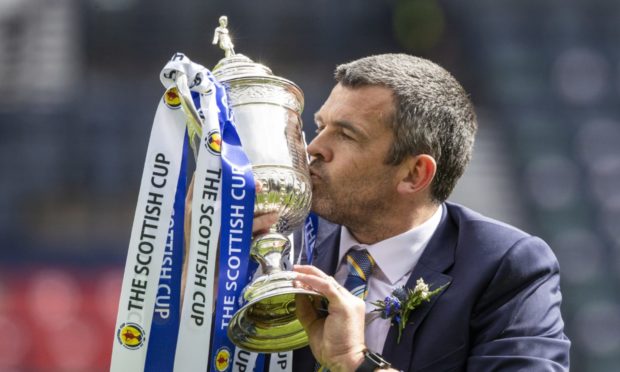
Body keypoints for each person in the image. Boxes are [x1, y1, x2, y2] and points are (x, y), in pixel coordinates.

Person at [260, 53, 571, 371]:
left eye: (346, 135)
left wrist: (355, 362)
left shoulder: (504, 267)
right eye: (320, 126)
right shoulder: (282, 235)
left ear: (414, 174)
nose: (314, 147)